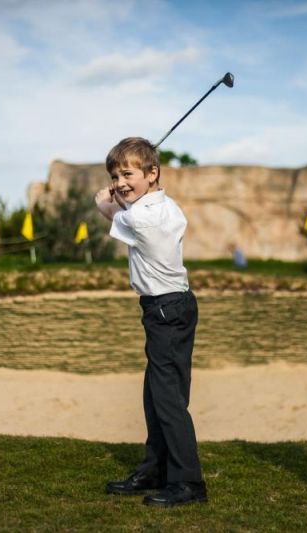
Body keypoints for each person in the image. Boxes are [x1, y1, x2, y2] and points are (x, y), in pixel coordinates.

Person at [94, 137, 207, 508]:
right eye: (115, 174)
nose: (121, 181)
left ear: (152, 173)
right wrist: (124, 191)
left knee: (168, 399)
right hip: (170, 307)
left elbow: (105, 207)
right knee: (156, 394)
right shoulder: (164, 206)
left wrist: (106, 195)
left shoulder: (143, 216)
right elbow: (122, 204)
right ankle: (155, 469)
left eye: (128, 173)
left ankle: (188, 482)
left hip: (165, 309)